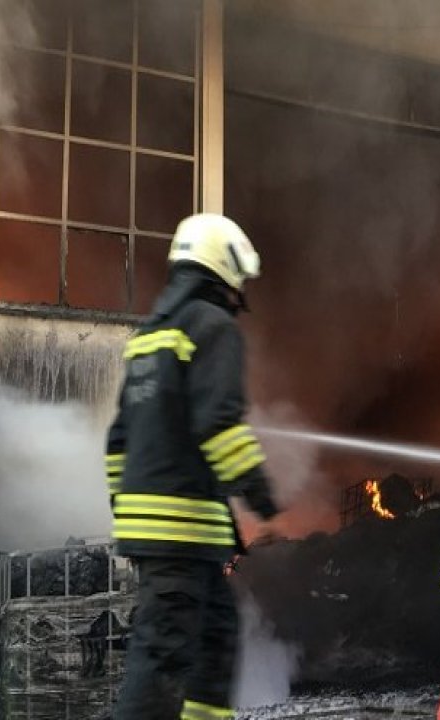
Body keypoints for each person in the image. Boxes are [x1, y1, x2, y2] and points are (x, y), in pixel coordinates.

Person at [106, 213, 281, 720]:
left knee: (215, 638)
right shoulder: (213, 327)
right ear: (221, 268)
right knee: (161, 664)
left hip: (167, 533)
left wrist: (128, 510)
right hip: (180, 530)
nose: (239, 289)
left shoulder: (148, 339)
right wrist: (258, 491)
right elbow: (219, 424)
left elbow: (118, 440)